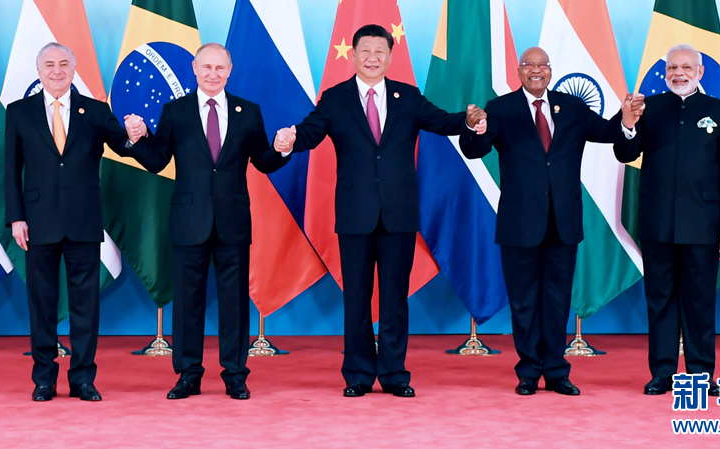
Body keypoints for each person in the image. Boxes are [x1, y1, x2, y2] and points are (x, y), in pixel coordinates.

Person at [273, 24, 486, 398]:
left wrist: (468, 121)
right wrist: (289, 140)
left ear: (389, 56)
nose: (372, 58)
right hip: (354, 215)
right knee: (356, 298)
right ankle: (357, 375)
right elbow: (310, 133)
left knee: (394, 299)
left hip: (399, 215)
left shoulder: (408, 97)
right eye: (365, 51)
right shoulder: (335, 98)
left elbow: (443, 121)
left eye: (379, 52)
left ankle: (394, 375)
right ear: (354, 55)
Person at [460, 46, 642, 396]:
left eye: (542, 65)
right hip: (519, 224)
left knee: (557, 301)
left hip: (563, 222)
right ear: (518, 71)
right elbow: (475, 150)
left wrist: (626, 120)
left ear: (551, 71)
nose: (536, 70)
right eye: (529, 65)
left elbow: (611, 134)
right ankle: (529, 371)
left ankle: (557, 372)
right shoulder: (501, 108)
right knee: (524, 302)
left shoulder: (572, 107)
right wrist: (472, 128)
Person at [129, 42, 288, 400]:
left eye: (220, 68)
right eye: (206, 67)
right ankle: (188, 375)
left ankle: (235, 375)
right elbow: (157, 160)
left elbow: (263, 160)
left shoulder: (248, 111)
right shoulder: (175, 111)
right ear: (195, 69)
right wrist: (138, 140)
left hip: (233, 220)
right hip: (189, 220)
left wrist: (281, 148)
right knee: (187, 301)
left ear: (229, 71)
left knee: (235, 303)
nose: (213, 74)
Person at [5, 42, 146, 402]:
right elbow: (10, 169)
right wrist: (16, 217)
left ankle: (83, 379)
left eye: (64, 64)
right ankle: (43, 379)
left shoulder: (95, 111)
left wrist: (135, 135)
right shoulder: (19, 111)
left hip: (84, 220)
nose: (57, 70)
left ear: (72, 69)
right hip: (37, 223)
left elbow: (122, 145)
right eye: (49, 64)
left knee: (86, 305)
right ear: (39, 71)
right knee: (41, 304)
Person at [613, 43, 720, 396]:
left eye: (686, 67)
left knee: (700, 302)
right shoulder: (648, 108)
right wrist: (628, 123)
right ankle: (663, 373)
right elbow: (624, 152)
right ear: (665, 73)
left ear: (700, 72)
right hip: (657, 223)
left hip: (703, 226)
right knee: (660, 301)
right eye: (672, 68)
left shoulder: (718, 111)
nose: (679, 74)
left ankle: (701, 373)